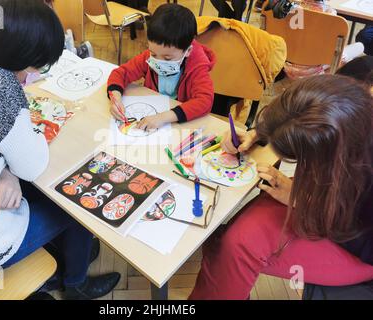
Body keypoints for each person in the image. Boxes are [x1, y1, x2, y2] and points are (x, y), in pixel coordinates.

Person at [0, 0, 119, 300]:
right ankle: (76, 284)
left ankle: (65, 257)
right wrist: (13, 169)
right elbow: (32, 165)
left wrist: (4, 170)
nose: (28, 78)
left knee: (37, 190)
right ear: (10, 58)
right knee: (76, 203)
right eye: (29, 69)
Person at [190, 75, 373, 299]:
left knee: (236, 246)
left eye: (301, 160)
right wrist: (256, 134)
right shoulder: (357, 83)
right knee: (226, 243)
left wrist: (307, 202)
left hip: (359, 247)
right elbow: (306, 113)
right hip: (330, 200)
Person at [107, 3, 215, 131]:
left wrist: (163, 117)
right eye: (153, 53)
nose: (157, 61)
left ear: (188, 51)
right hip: (152, 110)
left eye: (167, 58)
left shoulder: (197, 66)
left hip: (176, 123)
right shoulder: (152, 55)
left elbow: (205, 101)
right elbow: (121, 73)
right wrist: (116, 97)